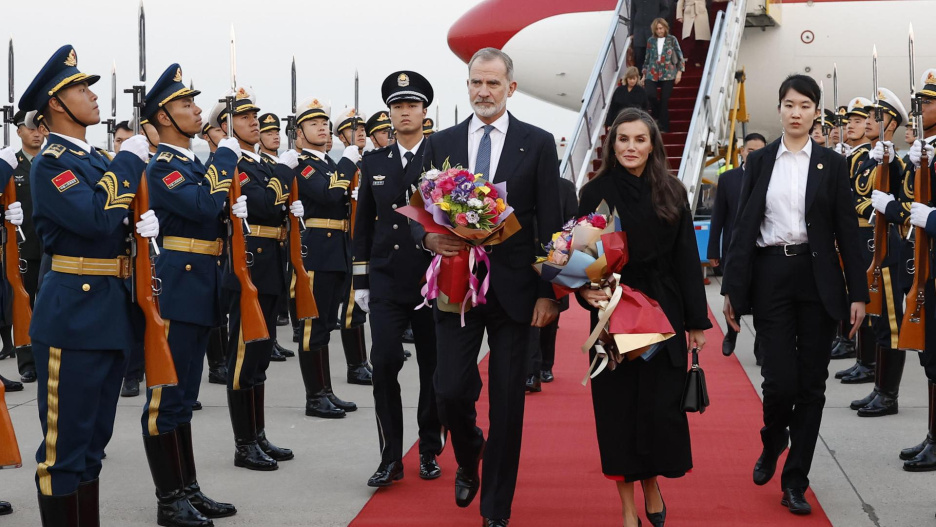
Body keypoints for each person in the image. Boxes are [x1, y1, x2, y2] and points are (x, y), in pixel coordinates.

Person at [416, 47, 561, 527]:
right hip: (456, 286)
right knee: (450, 390)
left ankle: (496, 509)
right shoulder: (441, 143)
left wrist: (550, 294)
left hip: (516, 293)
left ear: (510, 88)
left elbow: (551, 224)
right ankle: (469, 451)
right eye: (476, 82)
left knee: (508, 405)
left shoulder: (537, 143)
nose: (484, 91)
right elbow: (416, 208)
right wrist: (427, 238)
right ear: (467, 85)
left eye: (493, 83)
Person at [18, 44, 153, 525]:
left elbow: (117, 219)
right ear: (56, 103)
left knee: (94, 445)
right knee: (64, 450)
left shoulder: (94, 159)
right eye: (80, 89)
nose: (93, 96)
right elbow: (96, 219)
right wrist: (130, 163)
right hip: (73, 317)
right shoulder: (51, 163)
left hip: (110, 311)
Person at [722, 74, 867, 515]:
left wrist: (858, 294)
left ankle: (795, 481)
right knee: (779, 380)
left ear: (816, 112)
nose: (797, 113)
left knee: (811, 385)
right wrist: (732, 289)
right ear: (780, 109)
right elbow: (743, 227)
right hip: (771, 275)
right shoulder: (760, 161)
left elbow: (847, 231)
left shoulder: (832, 164)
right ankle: (773, 440)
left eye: (805, 105)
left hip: (817, 277)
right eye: (789, 105)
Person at [578, 108, 709, 527]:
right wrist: (584, 291)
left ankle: (652, 484)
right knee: (617, 411)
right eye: (623, 139)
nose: (630, 147)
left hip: (663, 315)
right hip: (612, 312)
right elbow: (579, 258)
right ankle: (627, 508)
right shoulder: (594, 192)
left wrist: (695, 322)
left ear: (653, 146)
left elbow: (687, 258)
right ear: (612, 145)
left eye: (639, 139)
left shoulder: (672, 190)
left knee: (657, 409)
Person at [140, 63, 239, 527]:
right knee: (167, 399)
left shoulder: (189, 163)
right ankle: (169, 501)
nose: (197, 111)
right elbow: (202, 205)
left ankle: (187, 489)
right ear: (163, 117)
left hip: (199, 284)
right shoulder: (164, 166)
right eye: (186, 104)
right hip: (178, 288)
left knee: (184, 398)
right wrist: (226, 160)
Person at [352, 70, 445, 488]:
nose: (405, 112)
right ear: (389, 114)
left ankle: (428, 449)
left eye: (412, 105)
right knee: (385, 360)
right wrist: (361, 282)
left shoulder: (441, 160)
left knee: (433, 368)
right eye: (397, 106)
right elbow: (362, 227)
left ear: (425, 112)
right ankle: (390, 456)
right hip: (387, 279)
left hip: (431, 277)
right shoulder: (373, 162)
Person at [217, 87, 301, 472]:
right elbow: (266, 204)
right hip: (247, 266)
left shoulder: (260, 164)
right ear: (225, 125)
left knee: (260, 358)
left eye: (255, 116)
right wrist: (285, 171)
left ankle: (258, 435)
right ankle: (243, 444)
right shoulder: (235, 164)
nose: (253, 122)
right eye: (244, 117)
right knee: (243, 358)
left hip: (269, 266)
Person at [291, 96, 360, 417]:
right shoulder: (303, 164)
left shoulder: (327, 164)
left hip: (336, 251)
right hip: (317, 252)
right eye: (313, 124)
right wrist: (348, 163)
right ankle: (314, 397)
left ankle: (326, 391)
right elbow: (329, 194)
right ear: (299, 133)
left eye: (324, 124)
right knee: (313, 326)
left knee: (326, 326)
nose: (322, 128)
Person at [851, 88, 909, 418]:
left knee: (891, 322)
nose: (870, 121)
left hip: (887, 248)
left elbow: (900, 200)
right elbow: (855, 196)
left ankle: (889, 395)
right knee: (876, 317)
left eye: (878, 116)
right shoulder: (867, 160)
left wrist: (890, 163)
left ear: (892, 124)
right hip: (869, 246)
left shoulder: (896, 162)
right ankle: (879, 387)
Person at [898, 68, 936, 471]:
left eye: (927, 101)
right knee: (931, 358)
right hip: (929, 267)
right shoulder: (927, 149)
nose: (920, 108)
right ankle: (933, 436)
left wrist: (933, 219)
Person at [707, 132, 766, 360]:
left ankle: (761, 344)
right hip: (735, 249)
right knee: (733, 293)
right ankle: (731, 333)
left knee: (762, 297)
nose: (754, 155)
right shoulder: (728, 179)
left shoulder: (770, 177)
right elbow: (718, 217)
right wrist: (713, 249)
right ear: (742, 152)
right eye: (750, 150)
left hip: (762, 248)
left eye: (760, 151)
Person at [834, 96, 875, 381]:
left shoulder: (869, 157)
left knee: (866, 298)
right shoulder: (853, 156)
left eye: (858, 121)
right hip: (852, 233)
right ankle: (860, 354)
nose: (851, 126)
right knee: (851, 293)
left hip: (865, 235)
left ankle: (867, 361)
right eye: (850, 121)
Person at [333, 107, 373, 386]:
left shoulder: (367, 163)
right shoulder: (342, 167)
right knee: (352, 304)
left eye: (362, 129)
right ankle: (355, 366)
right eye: (352, 129)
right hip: (349, 242)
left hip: (368, 240)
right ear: (340, 136)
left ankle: (363, 362)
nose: (360, 133)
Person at [527, 176, 578, 391]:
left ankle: (546, 365)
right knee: (528, 316)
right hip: (525, 256)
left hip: (554, 256)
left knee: (550, 317)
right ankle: (531, 371)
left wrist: (562, 249)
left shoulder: (565, 187)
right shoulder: (523, 183)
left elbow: (572, 222)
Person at [3, 110, 43, 384]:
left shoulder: (52, 162)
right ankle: (27, 363)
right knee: (23, 305)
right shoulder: (10, 165)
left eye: (40, 127)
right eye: (30, 128)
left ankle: (49, 356)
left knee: (50, 307)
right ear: (19, 131)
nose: (36, 133)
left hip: (51, 247)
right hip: (24, 247)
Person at [255, 111, 296, 360]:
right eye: (268, 133)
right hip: (265, 236)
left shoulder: (279, 161)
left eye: (276, 132)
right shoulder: (265, 165)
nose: (275, 136)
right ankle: (267, 343)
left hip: (280, 236)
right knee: (265, 295)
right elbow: (271, 200)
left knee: (277, 292)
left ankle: (272, 341)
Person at [641, 18, 684, 134]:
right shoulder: (651, 41)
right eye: (657, 29)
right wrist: (644, 74)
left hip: (668, 73)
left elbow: (680, 56)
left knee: (664, 100)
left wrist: (679, 72)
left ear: (665, 28)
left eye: (661, 28)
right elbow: (647, 58)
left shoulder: (672, 39)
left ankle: (664, 126)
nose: (659, 31)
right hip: (652, 72)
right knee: (650, 95)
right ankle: (657, 116)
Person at [629, 0, 667, 73]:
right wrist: (631, 32)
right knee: (639, 57)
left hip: (653, 30)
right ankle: (641, 78)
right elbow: (633, 13)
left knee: (654, 57)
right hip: (638, 32)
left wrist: (657, 21)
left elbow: (665, 9)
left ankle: (655, 77)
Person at [675, 0, 710, 67]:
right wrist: (679, 15)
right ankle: (685, 56)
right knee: (688, 36)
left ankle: (697, 60)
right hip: (689, 12)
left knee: (700, 38)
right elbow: (680, 2)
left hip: (701, 12)